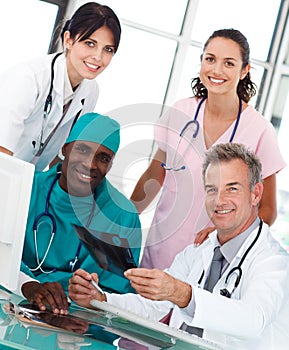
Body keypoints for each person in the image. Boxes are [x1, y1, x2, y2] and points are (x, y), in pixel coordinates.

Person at [69, 143, 289, 350]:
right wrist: (101, 299)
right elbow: (155, 306)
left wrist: (183, 294)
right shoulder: (200, 250)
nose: (219, 200)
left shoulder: (273, 261)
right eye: (212, 189)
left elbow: (252, 320)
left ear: (256, 193)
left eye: (232, 189)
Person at [130, 28, 286, 270]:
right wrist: (122, 221)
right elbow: (154, 175)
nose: (216, 70)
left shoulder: (259, 130)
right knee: (144, 306)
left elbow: (267, 210)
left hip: (213, 257)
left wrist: (227, 232)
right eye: (210, 59)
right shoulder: (180, 111)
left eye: (229, 63)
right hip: (159, 251)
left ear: (245, 71)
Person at [16, 112, 141, 314]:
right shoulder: (25, 187)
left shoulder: (122, 217)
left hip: (75, 325)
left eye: (103, 157)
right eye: (82, 149)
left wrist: (83, 297)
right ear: (65, 148)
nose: (90, 164)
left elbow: (116, 295)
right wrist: (28, 284)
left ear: (110, 165)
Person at [0, 2, 121, 171]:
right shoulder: (28, 79)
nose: (98, 57)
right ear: (68, 40)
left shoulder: (90, 91)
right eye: (90, 43)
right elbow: (2, 153)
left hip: (24, 182)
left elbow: (62, 155)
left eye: (108, 49)